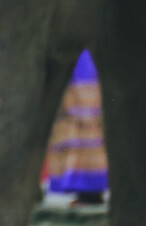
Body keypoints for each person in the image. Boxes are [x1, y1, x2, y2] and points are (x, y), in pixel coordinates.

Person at [44, 51, 108, 206]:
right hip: (79, 68)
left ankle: (90, 191)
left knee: (85, 123)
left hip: (83, 70)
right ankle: (88, 191)